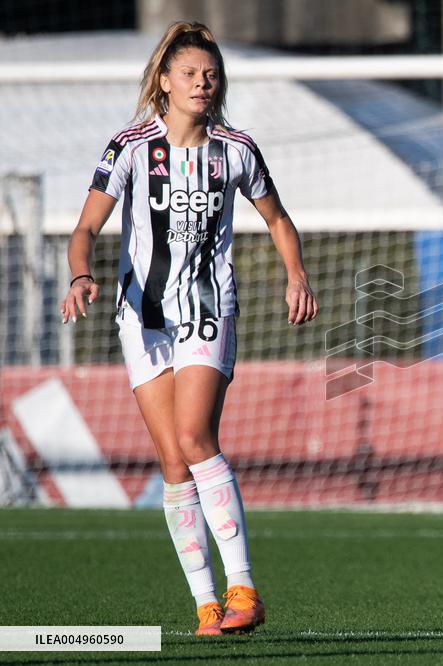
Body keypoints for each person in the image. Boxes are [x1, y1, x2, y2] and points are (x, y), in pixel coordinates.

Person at [59, 21, 317, 636]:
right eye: (191, 74)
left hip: (207, 306)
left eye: (211, 74)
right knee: (172, 461)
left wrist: (296, 274)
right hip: (141, 317)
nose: (204, 83)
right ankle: (207, 605)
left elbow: (279, 220)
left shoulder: (236, 150)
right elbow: (84, 229)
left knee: (196, 436)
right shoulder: (127, 148)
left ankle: (245, 591)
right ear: (164, 83)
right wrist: (78, 275)